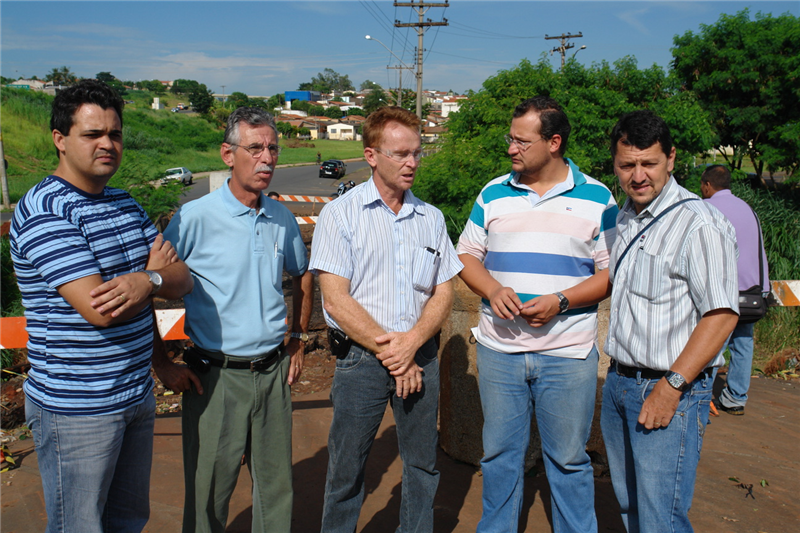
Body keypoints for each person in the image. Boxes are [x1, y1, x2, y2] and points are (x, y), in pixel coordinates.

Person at [9, 79, 195, 533]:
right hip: (77, 408)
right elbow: (102, 309)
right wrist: (151, 280)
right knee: (81, 526)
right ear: (60, 139)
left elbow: (181, 280)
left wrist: (145, 282)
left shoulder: (123, 203)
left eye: (114, 134)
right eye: (92, 135)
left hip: (134, 393)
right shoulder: (45, 211)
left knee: (128, 520)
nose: (107, 144)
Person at [456, 96, 618, 533]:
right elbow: (467, 255)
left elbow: (612, 273)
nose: (511, 148)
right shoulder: (493, 192)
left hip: (567, 354)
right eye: (511, 138)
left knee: (567, 460)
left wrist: (561, 301)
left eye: (521, 141)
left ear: (554, 142)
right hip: (499, 351)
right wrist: (492, 288)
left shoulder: (598, 196)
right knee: (500, 455)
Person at [310, 106, 462, 533]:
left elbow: (443, 290)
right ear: (372, 155)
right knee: (346, 470)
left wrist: (412, 343)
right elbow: (336, 300)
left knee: (422, 466)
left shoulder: (430, 219)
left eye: (417, 153)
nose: (412, 163)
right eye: (400, 154)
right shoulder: (340, 215)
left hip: (421, 358)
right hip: (362, 362)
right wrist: (396, 353)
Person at [163, 107, 313, 533]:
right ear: (228, 154)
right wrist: (161, 361)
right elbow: (153, 283)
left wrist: (298, 337)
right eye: (255, 148)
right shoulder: (195, 218)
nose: (267, 158)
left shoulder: (281, 217)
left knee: (276, 489)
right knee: (208, 493)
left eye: (273, 148)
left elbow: (303, 275)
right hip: (215, 377)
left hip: (272, 374)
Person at [602, 110, 739, 532]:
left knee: (662, 518)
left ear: (671, 159)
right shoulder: (624, 216)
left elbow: (721, 315)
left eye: (649, 163)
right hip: (620, 385)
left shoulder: (699, 224)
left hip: (667, 390)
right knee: (631, 509)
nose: (638, 175)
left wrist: (672, 386)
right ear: (616, 165)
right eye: (627, 165)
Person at [701, 165, 769, 415]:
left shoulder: (706, 208)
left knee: (712, 342)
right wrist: (764, 289)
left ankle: (702, 394)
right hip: (751, 292)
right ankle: (736, 398)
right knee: (743, 343)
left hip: (722, 290)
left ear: (707, 185)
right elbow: (759, 250)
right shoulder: (749, 210)